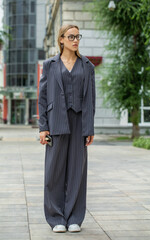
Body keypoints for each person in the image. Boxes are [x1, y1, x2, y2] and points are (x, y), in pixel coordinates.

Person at [38, 24, 96, 233]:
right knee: (53, 172)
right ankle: (56, 218)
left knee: (76, 173)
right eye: (71, 36)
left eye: (77, 36)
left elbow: (90, 99)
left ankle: (74, 217)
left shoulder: (87, 66)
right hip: (56, 122)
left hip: (79, 122)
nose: (75, 40)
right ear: (61, 39)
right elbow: (43, 98)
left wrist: (89, 128)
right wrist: (43, 127)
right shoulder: (50, 65)